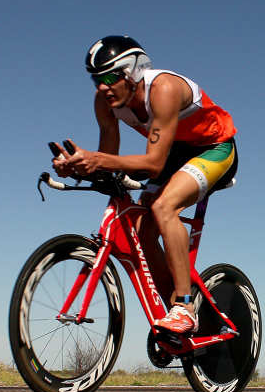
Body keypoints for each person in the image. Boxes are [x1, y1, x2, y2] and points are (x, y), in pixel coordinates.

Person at [52, 36, 238, 334]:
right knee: (141, 229)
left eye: (111, 77)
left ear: (133, 72)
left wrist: (97, 160)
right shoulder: (105, 103)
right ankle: (173, 310)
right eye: (96, 79)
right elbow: (109, 160)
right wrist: (77, 168)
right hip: (173, 153)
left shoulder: (163, 89)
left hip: (213, 148)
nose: (102, 87)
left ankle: (185, 309)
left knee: (165, 207)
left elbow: (152, 164)